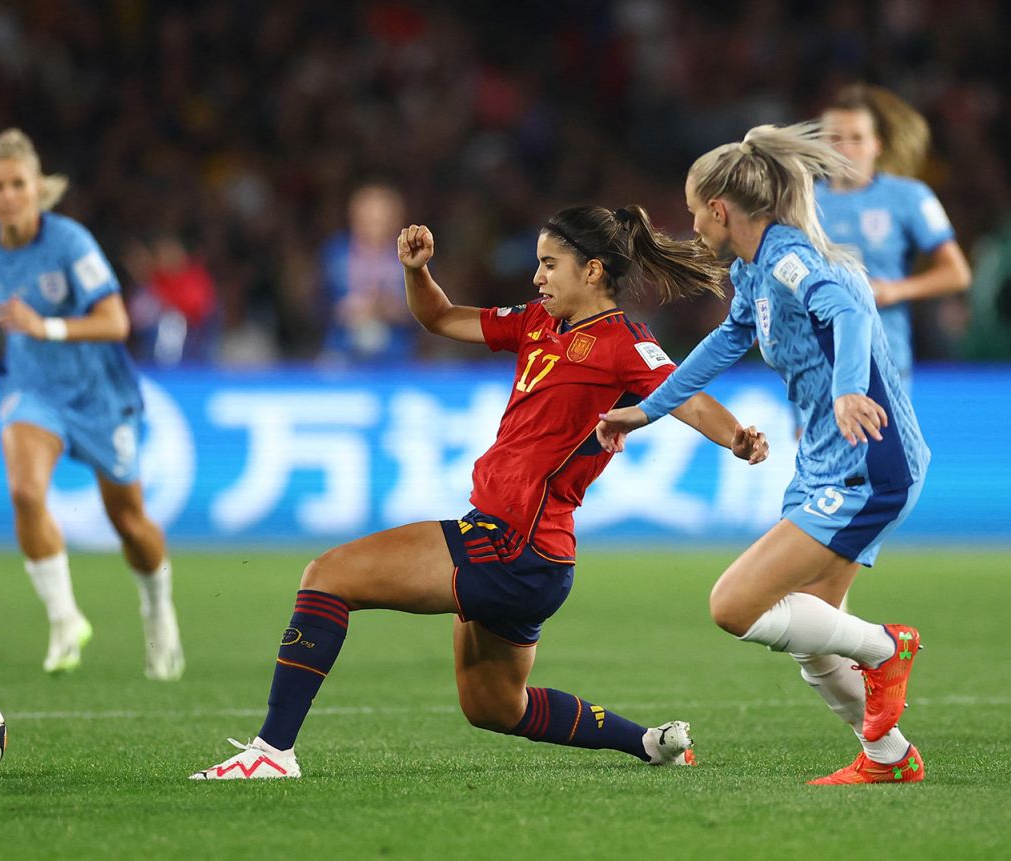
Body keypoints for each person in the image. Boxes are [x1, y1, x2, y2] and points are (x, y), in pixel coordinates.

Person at [190, 204, 769, 779]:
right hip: (533, 560)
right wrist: (417, 272)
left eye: (549, 264)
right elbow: (440, 318)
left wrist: (736, 437)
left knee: (327, 576)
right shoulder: (538, 323)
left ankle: (271, 752)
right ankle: (648, 742)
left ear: (592, 271)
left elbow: (687, 398)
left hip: (512, 545)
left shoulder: (623, 342)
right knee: (493, 707)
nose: (537, 277)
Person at [598, 123, 931, 785]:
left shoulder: (789, 256)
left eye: (695, 209)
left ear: (719, 209)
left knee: (733, 604)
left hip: (868, 460)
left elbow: (850, 314)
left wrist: (843, 392)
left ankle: (887, 647)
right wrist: (646, 409)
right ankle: (889, 757)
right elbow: (725, 344)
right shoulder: (755, 269)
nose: (692, 223)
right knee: (813, 636)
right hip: (828, 465)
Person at [0, 129, 184, 681]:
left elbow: (116, 322)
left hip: (98, 392)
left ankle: (158, 609)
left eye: (17, 184)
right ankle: (63, 619)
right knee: (25, 492)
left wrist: (44, 326)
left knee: (127, 521)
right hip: (31, 388)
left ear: (37, 189)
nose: (7, 195)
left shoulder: (70, 243)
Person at [816, 84, 971, 391]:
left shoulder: (908, 197)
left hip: (884, 356)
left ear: (877, 144)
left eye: (857, 138)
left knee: (884, 439)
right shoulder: (800, 203)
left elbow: (957, 273)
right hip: (817, 363)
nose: (845, 148)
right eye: (834, 138)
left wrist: (896, 290)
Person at [318, 183, 417, 364]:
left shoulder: (414, 256)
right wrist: (344, 309)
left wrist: (394, 308)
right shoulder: (335, 252)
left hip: (398, 353)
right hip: (341, 351)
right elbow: (315, 303)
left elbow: (430, 310)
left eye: (380, 220)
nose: (373, 227)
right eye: (366, 219)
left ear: (396, 219)